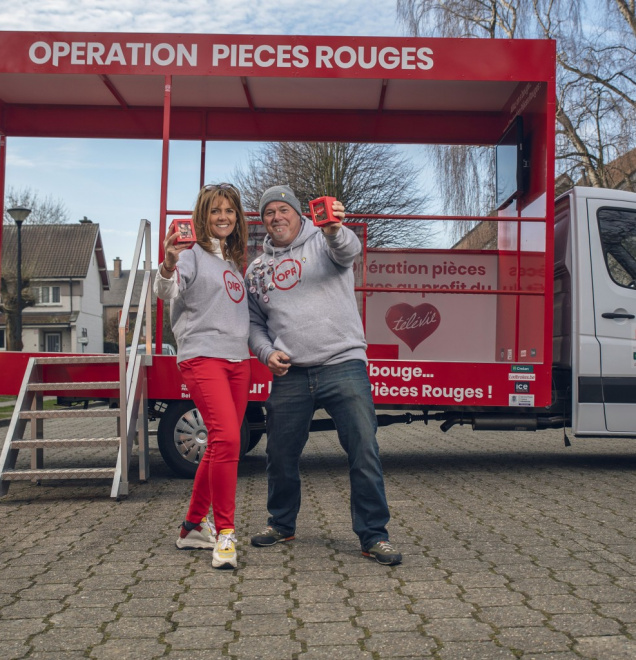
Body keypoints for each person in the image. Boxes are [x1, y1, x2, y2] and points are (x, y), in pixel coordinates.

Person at [246, 185, 402, 566]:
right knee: (280, 453)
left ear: (298, 214)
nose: (277, 217)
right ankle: (281, 523)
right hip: (291, 374)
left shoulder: (324, 241)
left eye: (284, 210)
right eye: (269, 212)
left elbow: (349, 250)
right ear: (263, 220)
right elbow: (253, 324)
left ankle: (373, 536)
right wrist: (267, 353)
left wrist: (333, 229)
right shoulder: (256, 269)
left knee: (363, 450)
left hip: (343, 364)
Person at [154, 183, 250, 570]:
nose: (222, 217)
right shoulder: (190, 255)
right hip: (203, 357)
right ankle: (225, 533)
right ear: (202, 216)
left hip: (238, 361)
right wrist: (168, 263)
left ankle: (192, 527)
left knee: (219, 446)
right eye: (215, 211)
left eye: (229, 211)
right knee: (227, 438)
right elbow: (167, 291)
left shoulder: (231, 262)